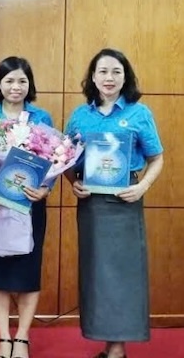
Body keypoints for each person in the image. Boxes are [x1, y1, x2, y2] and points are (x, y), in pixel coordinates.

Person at [64, 48, 163, 358]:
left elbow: (157, 157)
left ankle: (117, 348)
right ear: (93, 77)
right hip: (92, 206)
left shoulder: (139, 113)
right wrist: (73, 182)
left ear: (125, 77)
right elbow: (64, 158)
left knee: (123, 273)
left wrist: (144, 185)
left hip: (125, 201)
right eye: (103, 71)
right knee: (97, 272)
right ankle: (106, 342)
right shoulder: (81, 115)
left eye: (116, 72)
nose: (109, 77)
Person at [0, 57, 53, 358]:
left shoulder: (41, 118)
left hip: (30, 204)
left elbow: (55, 160)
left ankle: (22, 337)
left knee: (28, 269)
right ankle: (4, 337)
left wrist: (45, 189)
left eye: (22, 80)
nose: (15, 87)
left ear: (29, 84)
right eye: (9, 81)